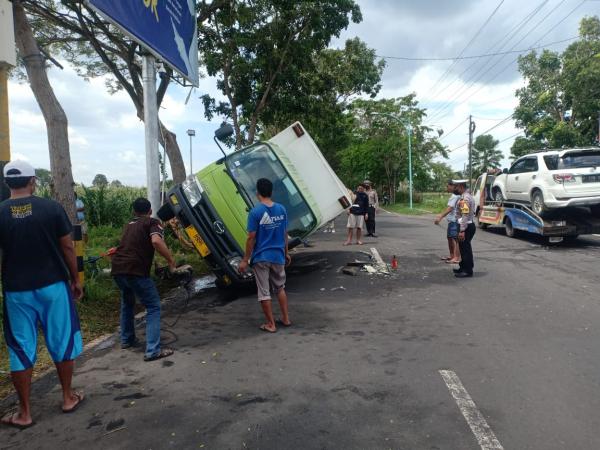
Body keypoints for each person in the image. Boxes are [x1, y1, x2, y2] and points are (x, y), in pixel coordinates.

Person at [0, 161, 84, 429]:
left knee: (20, 347)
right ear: (33, 182)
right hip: (54, 287)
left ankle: (24, 413)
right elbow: (68, 248)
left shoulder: (0, 212)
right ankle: (68, 397)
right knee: (61, 340)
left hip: (16, 291)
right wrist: (76, 279)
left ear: (6, 183)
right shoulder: (51, 208)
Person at [111, 197, 178, 361]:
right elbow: (156, 241)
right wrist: (171, 261)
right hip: (135, 271)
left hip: (118, 269)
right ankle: (153, 350)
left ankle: (127, 339)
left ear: (134, 212)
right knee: (153, 306)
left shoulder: (129, 225)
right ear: (150, 211)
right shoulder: (152, 222)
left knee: (127, 302)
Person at [239, 178, 291, 333]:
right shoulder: (281, 209)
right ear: (271, 192)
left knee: (264, 291)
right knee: (280, 288)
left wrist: (245, 259)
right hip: (278, 255)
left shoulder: (255, 212)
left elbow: (251, 237)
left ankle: (271, 324)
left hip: (261, 257)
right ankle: (286, 319)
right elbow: (284, 233)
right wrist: (286, 253)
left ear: (257, 192)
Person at [452, 180, 476, 278]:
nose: (455, 189)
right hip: (466, 225)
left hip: (466, 226)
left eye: (456, 187)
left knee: (465, 249)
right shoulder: (465, 196)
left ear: (461, 187)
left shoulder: (465, 198)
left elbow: (465, 214)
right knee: (463, 248)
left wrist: (462, 230)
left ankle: (467, 270)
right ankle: (463, 267)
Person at [434, 180, 460, 264]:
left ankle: (456, 257)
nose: (447, 188)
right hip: (452, 221)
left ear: (453, 186)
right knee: (450, 238)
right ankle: (452, 256)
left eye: (448, 186)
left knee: (454, 239)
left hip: (454, 221)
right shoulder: (455, 196)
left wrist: (440, 217)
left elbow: (450, 208)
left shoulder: (455, 196)